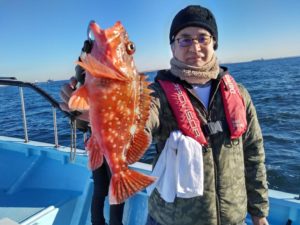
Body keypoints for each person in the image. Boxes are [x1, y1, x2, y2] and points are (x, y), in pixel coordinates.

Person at [144, 5, 269, 225]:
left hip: (233, 219)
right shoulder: (155, 96)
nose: (194, 47)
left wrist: (258, 213)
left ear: (214, 43)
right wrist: (89, 113)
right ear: (173, 47)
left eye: (203, 38)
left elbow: (253, 154)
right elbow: (135, 124)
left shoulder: (239, 93)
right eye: (184, 39)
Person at [60, 42, 124, 225]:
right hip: (111, 141)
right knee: (116, 187)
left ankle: (97, 222)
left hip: (93, 141)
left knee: (100, 188)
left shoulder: (83, 80)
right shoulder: (111, 79)